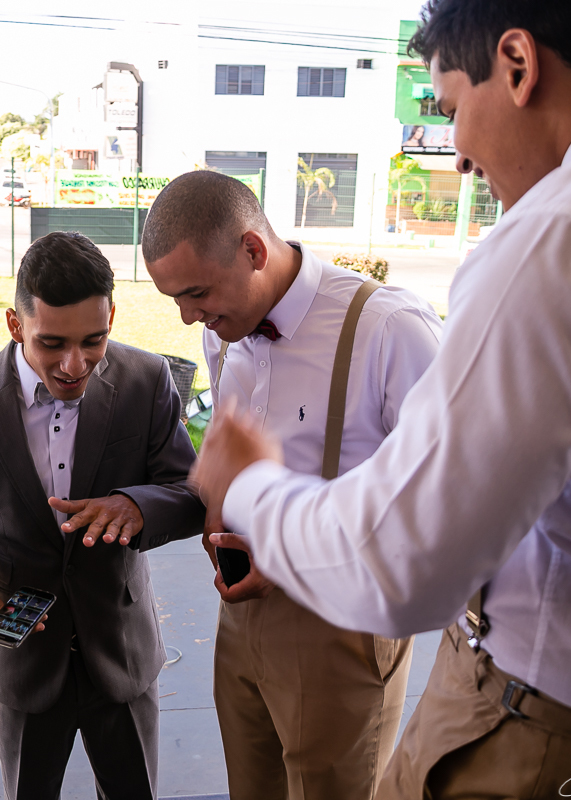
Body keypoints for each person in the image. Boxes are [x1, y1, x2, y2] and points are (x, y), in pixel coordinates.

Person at [191, 1, 571, 797]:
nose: (455, 155)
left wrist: (245, 484)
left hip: (550, 731)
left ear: (517, 64)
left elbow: (397, 562)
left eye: (450, 108)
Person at [142, 171, 443, 800]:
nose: (187, 317)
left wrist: (291, 557)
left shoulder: (387, 328)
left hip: (341, 626)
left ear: (253, 251)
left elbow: (439, 503)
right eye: (176, 299)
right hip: (239, 621)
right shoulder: (223, 328)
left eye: (196, 293)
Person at [0, 231, 204, 800]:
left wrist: (135, 506)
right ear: (15, 326)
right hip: (23, 658)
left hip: (120, 652)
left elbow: (189, 491)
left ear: (113, 315)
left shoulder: (147, 381)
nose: (75, 365)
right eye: (52, 344)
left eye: (94, 340)